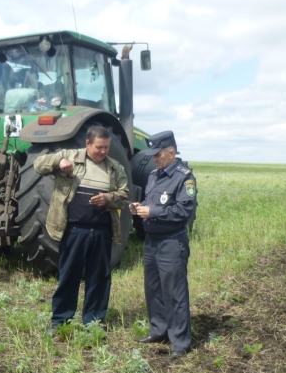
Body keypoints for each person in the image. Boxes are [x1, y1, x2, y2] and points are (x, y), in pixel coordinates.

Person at [33, 125, 129, 336]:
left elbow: (124, 194)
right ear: (87, 144)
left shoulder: (115, 168)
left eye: (106, 147)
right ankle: (60, 321)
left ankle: (93, 323)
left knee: (99, 278)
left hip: (102, 232)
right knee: (69, 276)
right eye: (98, 147)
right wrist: (59, 161)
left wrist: (108, 198)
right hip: (75, 231)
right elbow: (38, 165)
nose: (103, 152)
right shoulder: (69, 157)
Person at [129, 130, 197, 361]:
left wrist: (153, 212)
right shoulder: (154, 175)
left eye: (158, 154)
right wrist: (140, 207)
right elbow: (152, 202)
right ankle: (158, 331)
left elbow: (184, 211)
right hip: (152, 242)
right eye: (153, 155)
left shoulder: (184, 176)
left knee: (174, 293)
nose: (154, 159)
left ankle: (180, 342)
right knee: (154, 290)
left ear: (171, 151)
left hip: (171, 241)